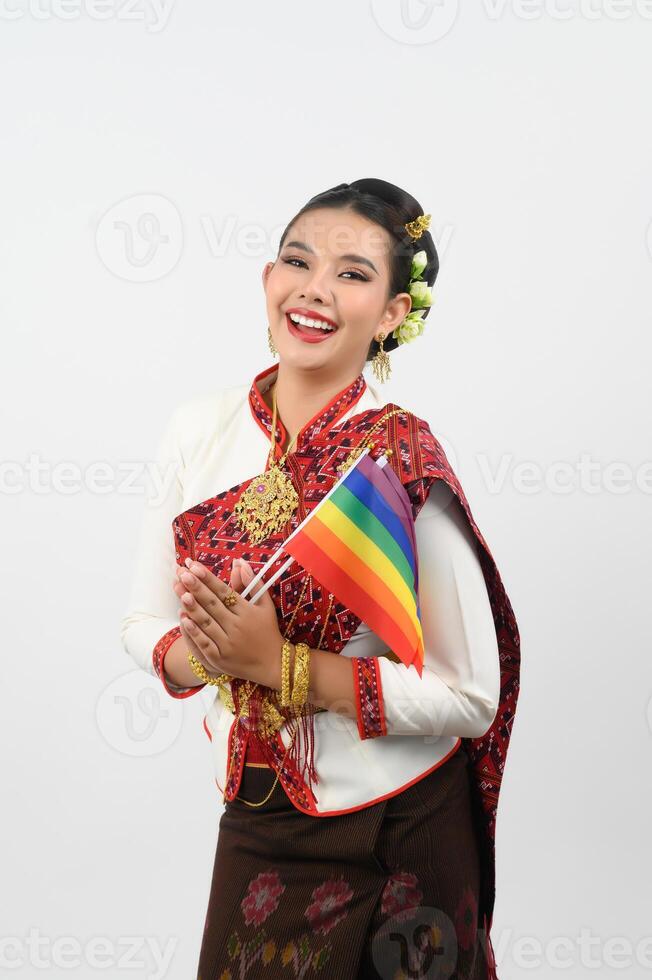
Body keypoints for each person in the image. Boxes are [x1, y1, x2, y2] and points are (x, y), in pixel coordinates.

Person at [120, 178, 521, 979]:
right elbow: (140, 626)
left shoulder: (397, 457)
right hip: (260, 817)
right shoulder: (198, 431)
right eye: (297, 261)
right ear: (268, 281)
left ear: (392, 317)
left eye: (353, 273)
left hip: (403, 826)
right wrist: (215, 654)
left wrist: (280, 665)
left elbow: (471, 695)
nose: (314, 289)